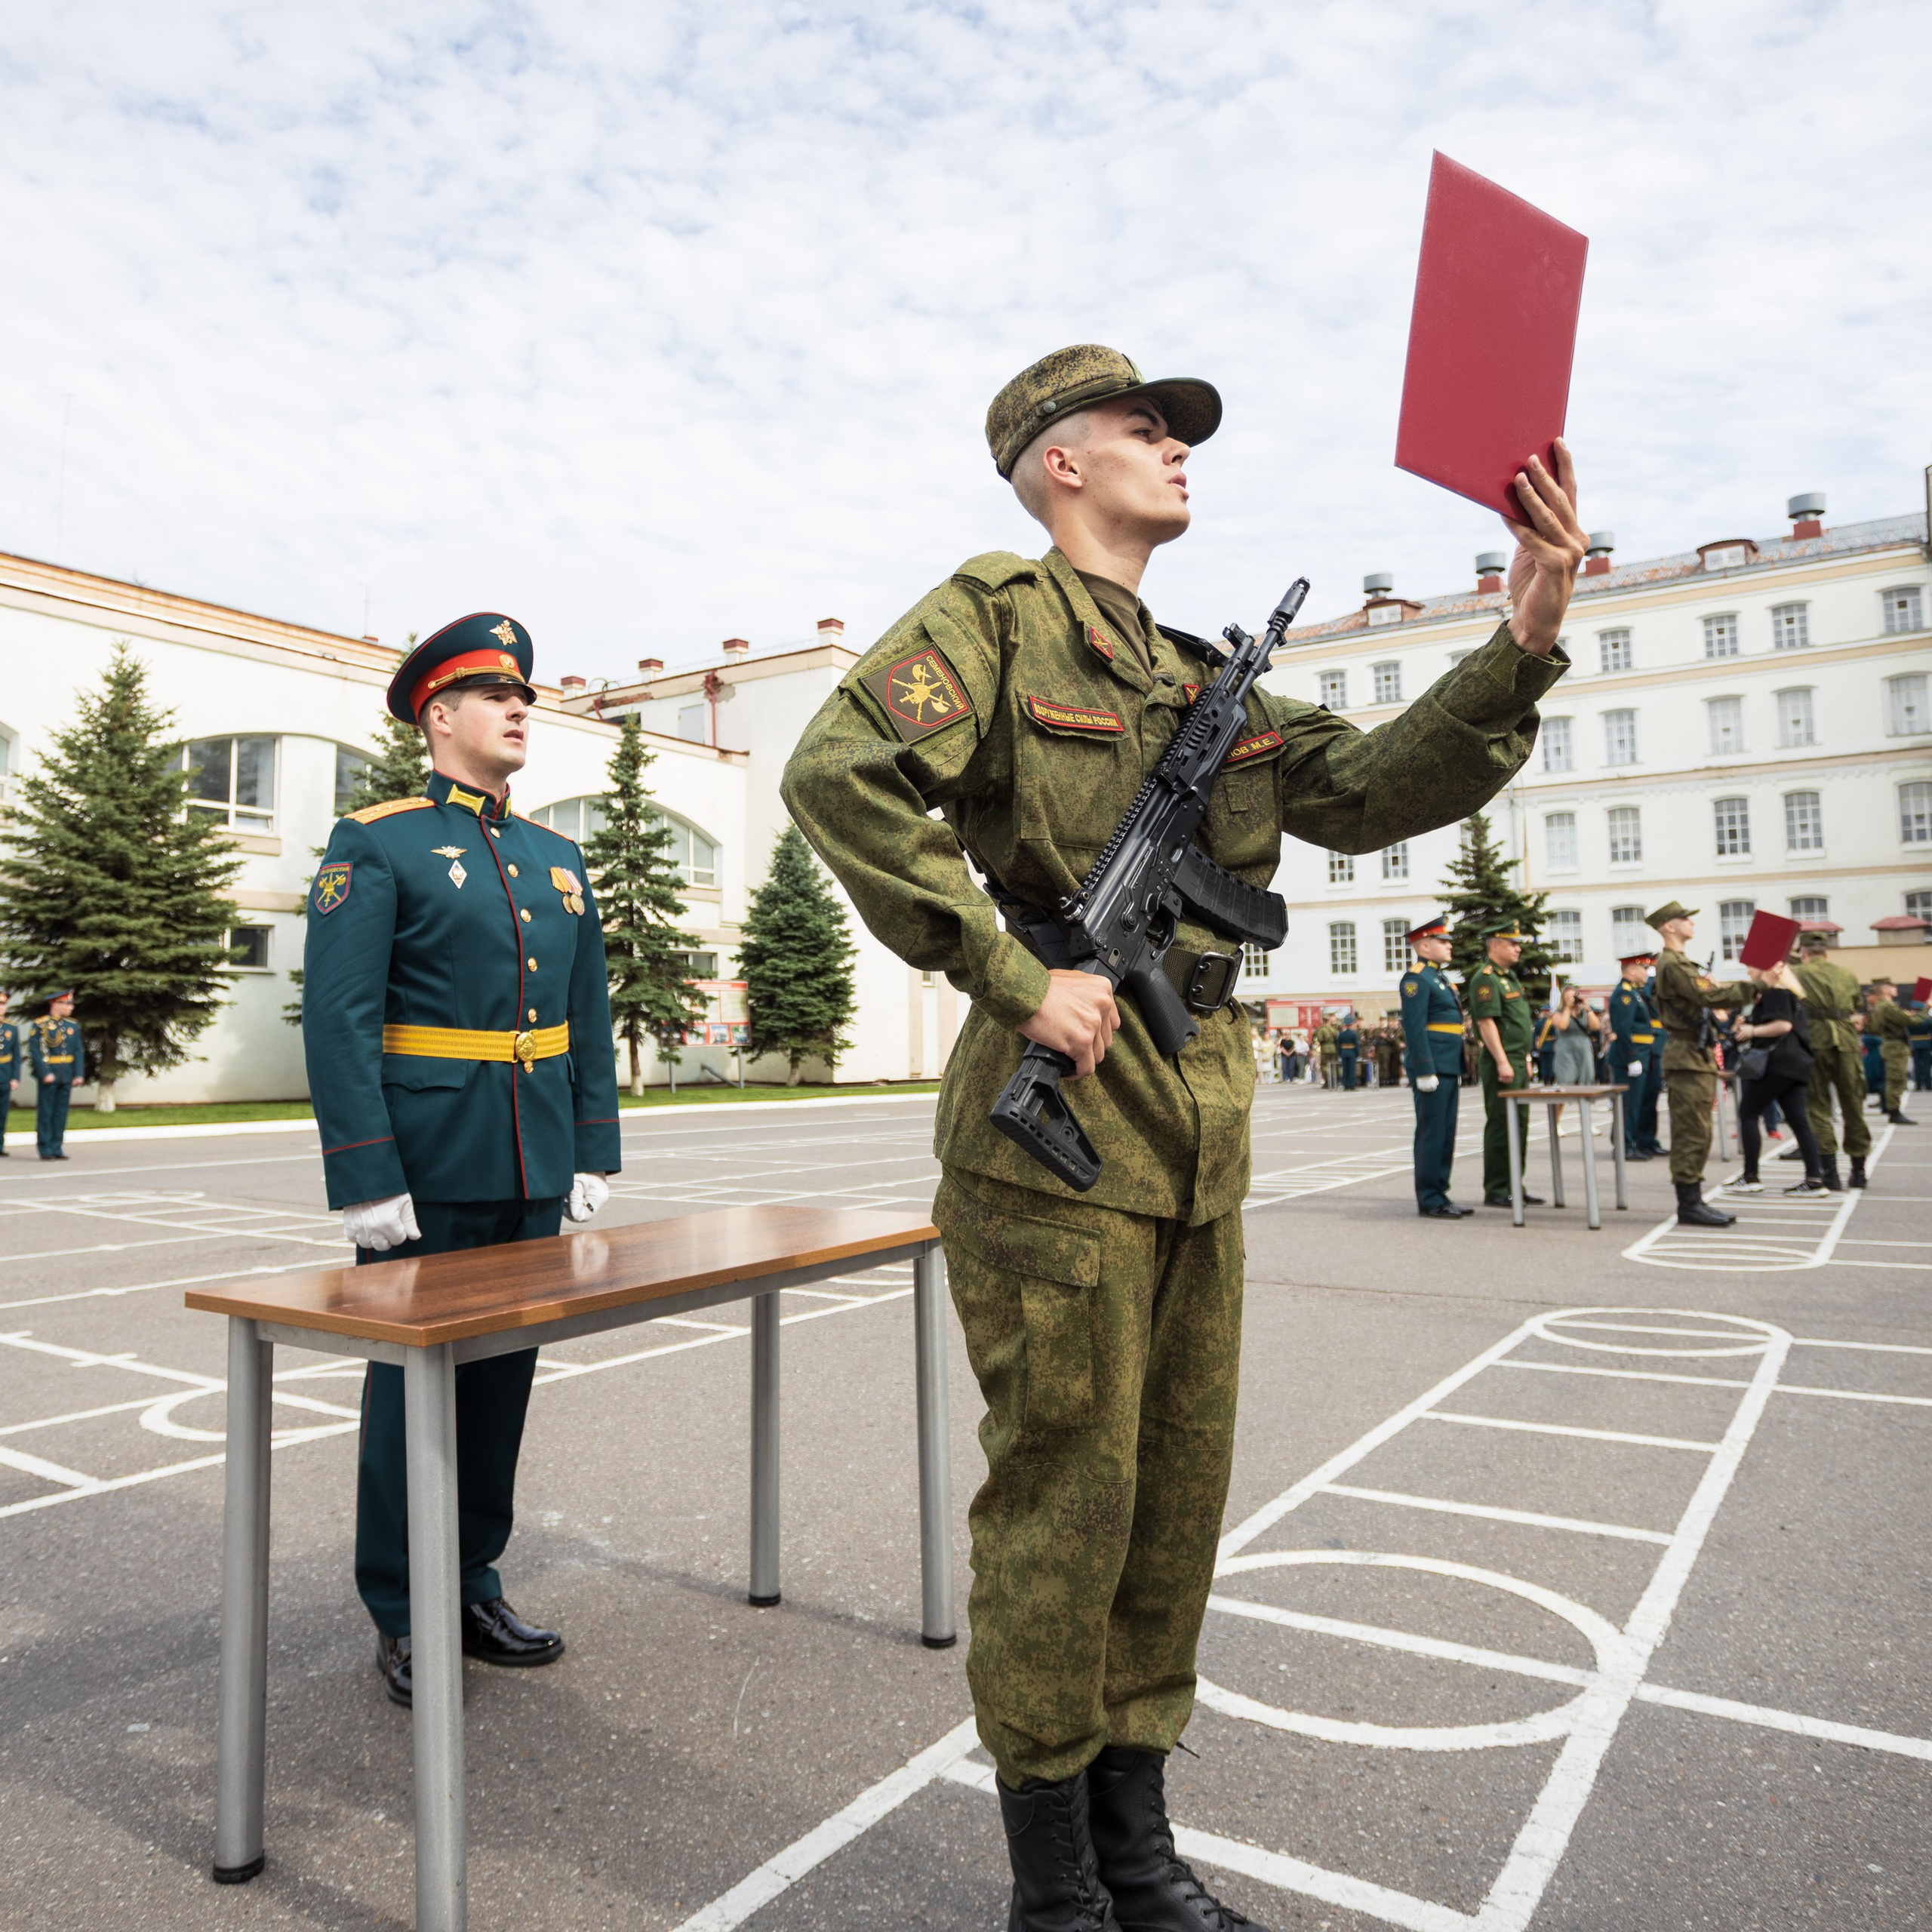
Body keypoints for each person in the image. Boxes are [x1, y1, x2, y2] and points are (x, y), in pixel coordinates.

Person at [779, 341, 1583, 1930]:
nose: (1174, 447)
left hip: (1192, 1117)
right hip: (1054, 1133)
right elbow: (837, 773)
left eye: (1177, 431)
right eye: (1143, 427)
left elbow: (1358, 784)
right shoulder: (998, 616)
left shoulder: (1191, 671)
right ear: (1056, 460)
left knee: (1168, 1500)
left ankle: (1138, 1848)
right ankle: (1055, 1888)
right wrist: (1015, 976)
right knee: (1064, 1500)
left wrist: (1522, 635)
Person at [303, 613, 622, 1708]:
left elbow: (587, 1014)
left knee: (499, 1387)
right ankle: (401, 1608)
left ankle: (473, 1579)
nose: (521, 707)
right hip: (427, 1163)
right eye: (498, 696)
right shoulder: (377, 841)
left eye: (525, 695)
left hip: (532, 1161)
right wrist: (365, 1174)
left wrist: (592, 1147)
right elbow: (339, 1022)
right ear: (440, 716)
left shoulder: (558, 858)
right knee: (411, 1398)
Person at [1646, 901, 1752, 1227]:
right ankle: (1689, 1204)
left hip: (1696, 1054)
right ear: (1669, 927)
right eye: (1684, 919)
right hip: (1687, 1057)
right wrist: (1757, 986)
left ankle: (1693, 1200)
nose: (1690, 922)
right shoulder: (1674, 965)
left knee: (1700, 1131)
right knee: (1692, 1133)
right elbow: (1712, 997)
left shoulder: (1680, 964)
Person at [1730, 958, 1825, 1192]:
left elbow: (1783, 1026)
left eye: (1751, 965)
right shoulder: (1790, 994)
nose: (1748, 969)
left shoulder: (1775, 992)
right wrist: (1747, 1023)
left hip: (1777, 1063)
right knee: (1798, 1120)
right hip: (1797, 1064)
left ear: (1766, 971)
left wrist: (1752, 1029)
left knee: (1749, 1113)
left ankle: (1751, 1177)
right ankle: (1815, 1179)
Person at [1466, 924, 1543, 1208]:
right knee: (1502, 1124)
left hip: (1516, 1061)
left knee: (1519, 1125)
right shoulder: (1486, 979)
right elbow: (1486, 1023)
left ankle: (1514, 1184)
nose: (1518, 948)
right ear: (1495, 945)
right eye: (1512, 944)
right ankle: (1498, 1188)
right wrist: (1502, 1060)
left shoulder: (1509, 978)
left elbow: (1517, 1026)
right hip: (1502, 1063)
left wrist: (1524, 1058)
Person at [1399, 915, 1469, 1217]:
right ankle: (1429, 1197)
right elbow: (1415, 1028)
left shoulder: (1439, 979)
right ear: (1424, 945)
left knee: (1446, 1132)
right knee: (1432, 1132)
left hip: (1448, 1065)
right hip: (1433, 1068)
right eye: (1443, 941)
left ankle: (1440, 1193)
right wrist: (1424, 1069)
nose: (1449, 945)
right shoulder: (1416, 979)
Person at [1792, 931, 1869, 1189]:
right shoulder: (1846, 974)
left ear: (1803, 953)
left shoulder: (1798, 974)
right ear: (1826, 952)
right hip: (1845, 1039)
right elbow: (1856, 1004)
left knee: (1818, 1107)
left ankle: (1830, 1173)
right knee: (1853, 1104)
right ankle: (1858, 1171)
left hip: (1815, 1039)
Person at [1607, 954, 1657, 1158]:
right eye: (1643, 968)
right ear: (1631, 970)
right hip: (1630, 1057)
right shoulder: (1624, 994)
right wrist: (1631, 1058)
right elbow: (1623, 1029)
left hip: (1641, 1054)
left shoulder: (1633, 992)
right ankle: (1624, 1146)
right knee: (1628, 1105)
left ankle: (1631, 1142)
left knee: (1635, 1103)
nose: (1647, 972)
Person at [29, 991, 84, 1161]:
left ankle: (57, 1147)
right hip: (49, 1074)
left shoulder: (73, 1025)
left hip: (66, 1074)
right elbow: (36, 1052)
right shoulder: (40, 1025)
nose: (71, 1007)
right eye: (67, 1004)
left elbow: (77, 1051)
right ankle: (45, 1148)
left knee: (61, 1113)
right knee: (46, 1113)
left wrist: (79, 1073)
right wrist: (45, 1073)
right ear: (56, 1004)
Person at [1867, 979, 1915, 1124]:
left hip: (1892, 1045)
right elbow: (1911, 1021)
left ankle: (1891, 1108)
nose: (1896, 989)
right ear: (1885, 990)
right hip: (1895, 1046)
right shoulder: (1887, 1006)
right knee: (1896, 1079)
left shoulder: (1882, 1006)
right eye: (1892, 987)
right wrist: (1928, 1009)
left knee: (1894, 1079)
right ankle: (1894, 1112)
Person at [0, 989, 19, 1156]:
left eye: (3, 1004)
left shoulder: (11, 1028)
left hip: (5, 1075)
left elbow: (16, 1055)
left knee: (2, 1113)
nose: (1, 1007)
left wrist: (15, 1077)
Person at [1910, 995, 1931, 1091]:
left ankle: (1918, 1085)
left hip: (1914, 1043)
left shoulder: (1910, 1021)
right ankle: (1928, 1085)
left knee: (1917, 1066)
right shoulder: (1928, 1020)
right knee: (1927, 1065)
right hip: (1926, 1043)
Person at [1336, 1012, 1361, 1091]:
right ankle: (1351, 1085)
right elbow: (1356, 1045)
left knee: (1345, 1070)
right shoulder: (1354, 1034)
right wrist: (1358, 1054)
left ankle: (1346, 1085)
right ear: (1351, 1024)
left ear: (1345, 1025)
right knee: (1351, 1070)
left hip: (1344, 1053)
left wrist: (1340, 1054)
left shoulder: (1341, 1034)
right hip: (1352, 1053)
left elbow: (1339, 1046)